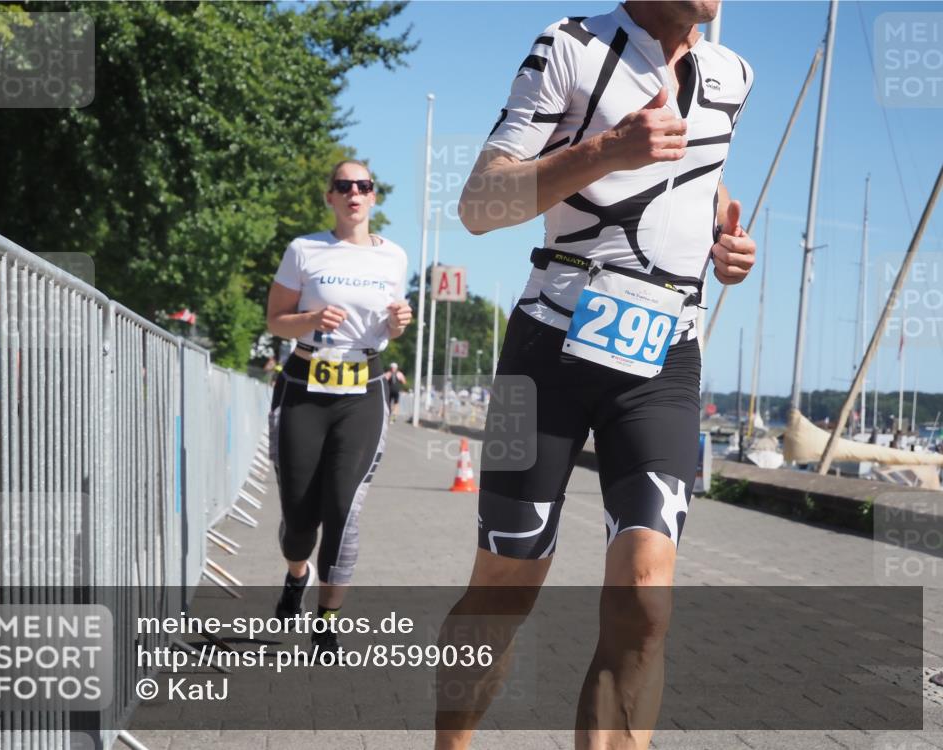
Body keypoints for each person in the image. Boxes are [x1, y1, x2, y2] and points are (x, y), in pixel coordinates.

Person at [436, 2, 756, 748]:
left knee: (646, 594)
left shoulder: (733, 74)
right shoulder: (570, 47)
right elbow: (479, 205)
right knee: (505, 584)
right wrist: (608, 148)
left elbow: (702, 180)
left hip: (662, 357)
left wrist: (726, 245)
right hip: (547, 350)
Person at [265, 159, 412, 656]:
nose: (354, 192)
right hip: (304, 386)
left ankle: (327, 621)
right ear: (329, 196)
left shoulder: (393, 257)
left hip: (363, 391)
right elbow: (275, 322)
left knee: (343, 511)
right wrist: (309, 316)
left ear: (373, 197)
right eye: (343, 185)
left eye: (364, 185)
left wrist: (398, 323)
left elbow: (388, 330)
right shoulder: (305, 250)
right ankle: (296, 573)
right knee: (300, 519)